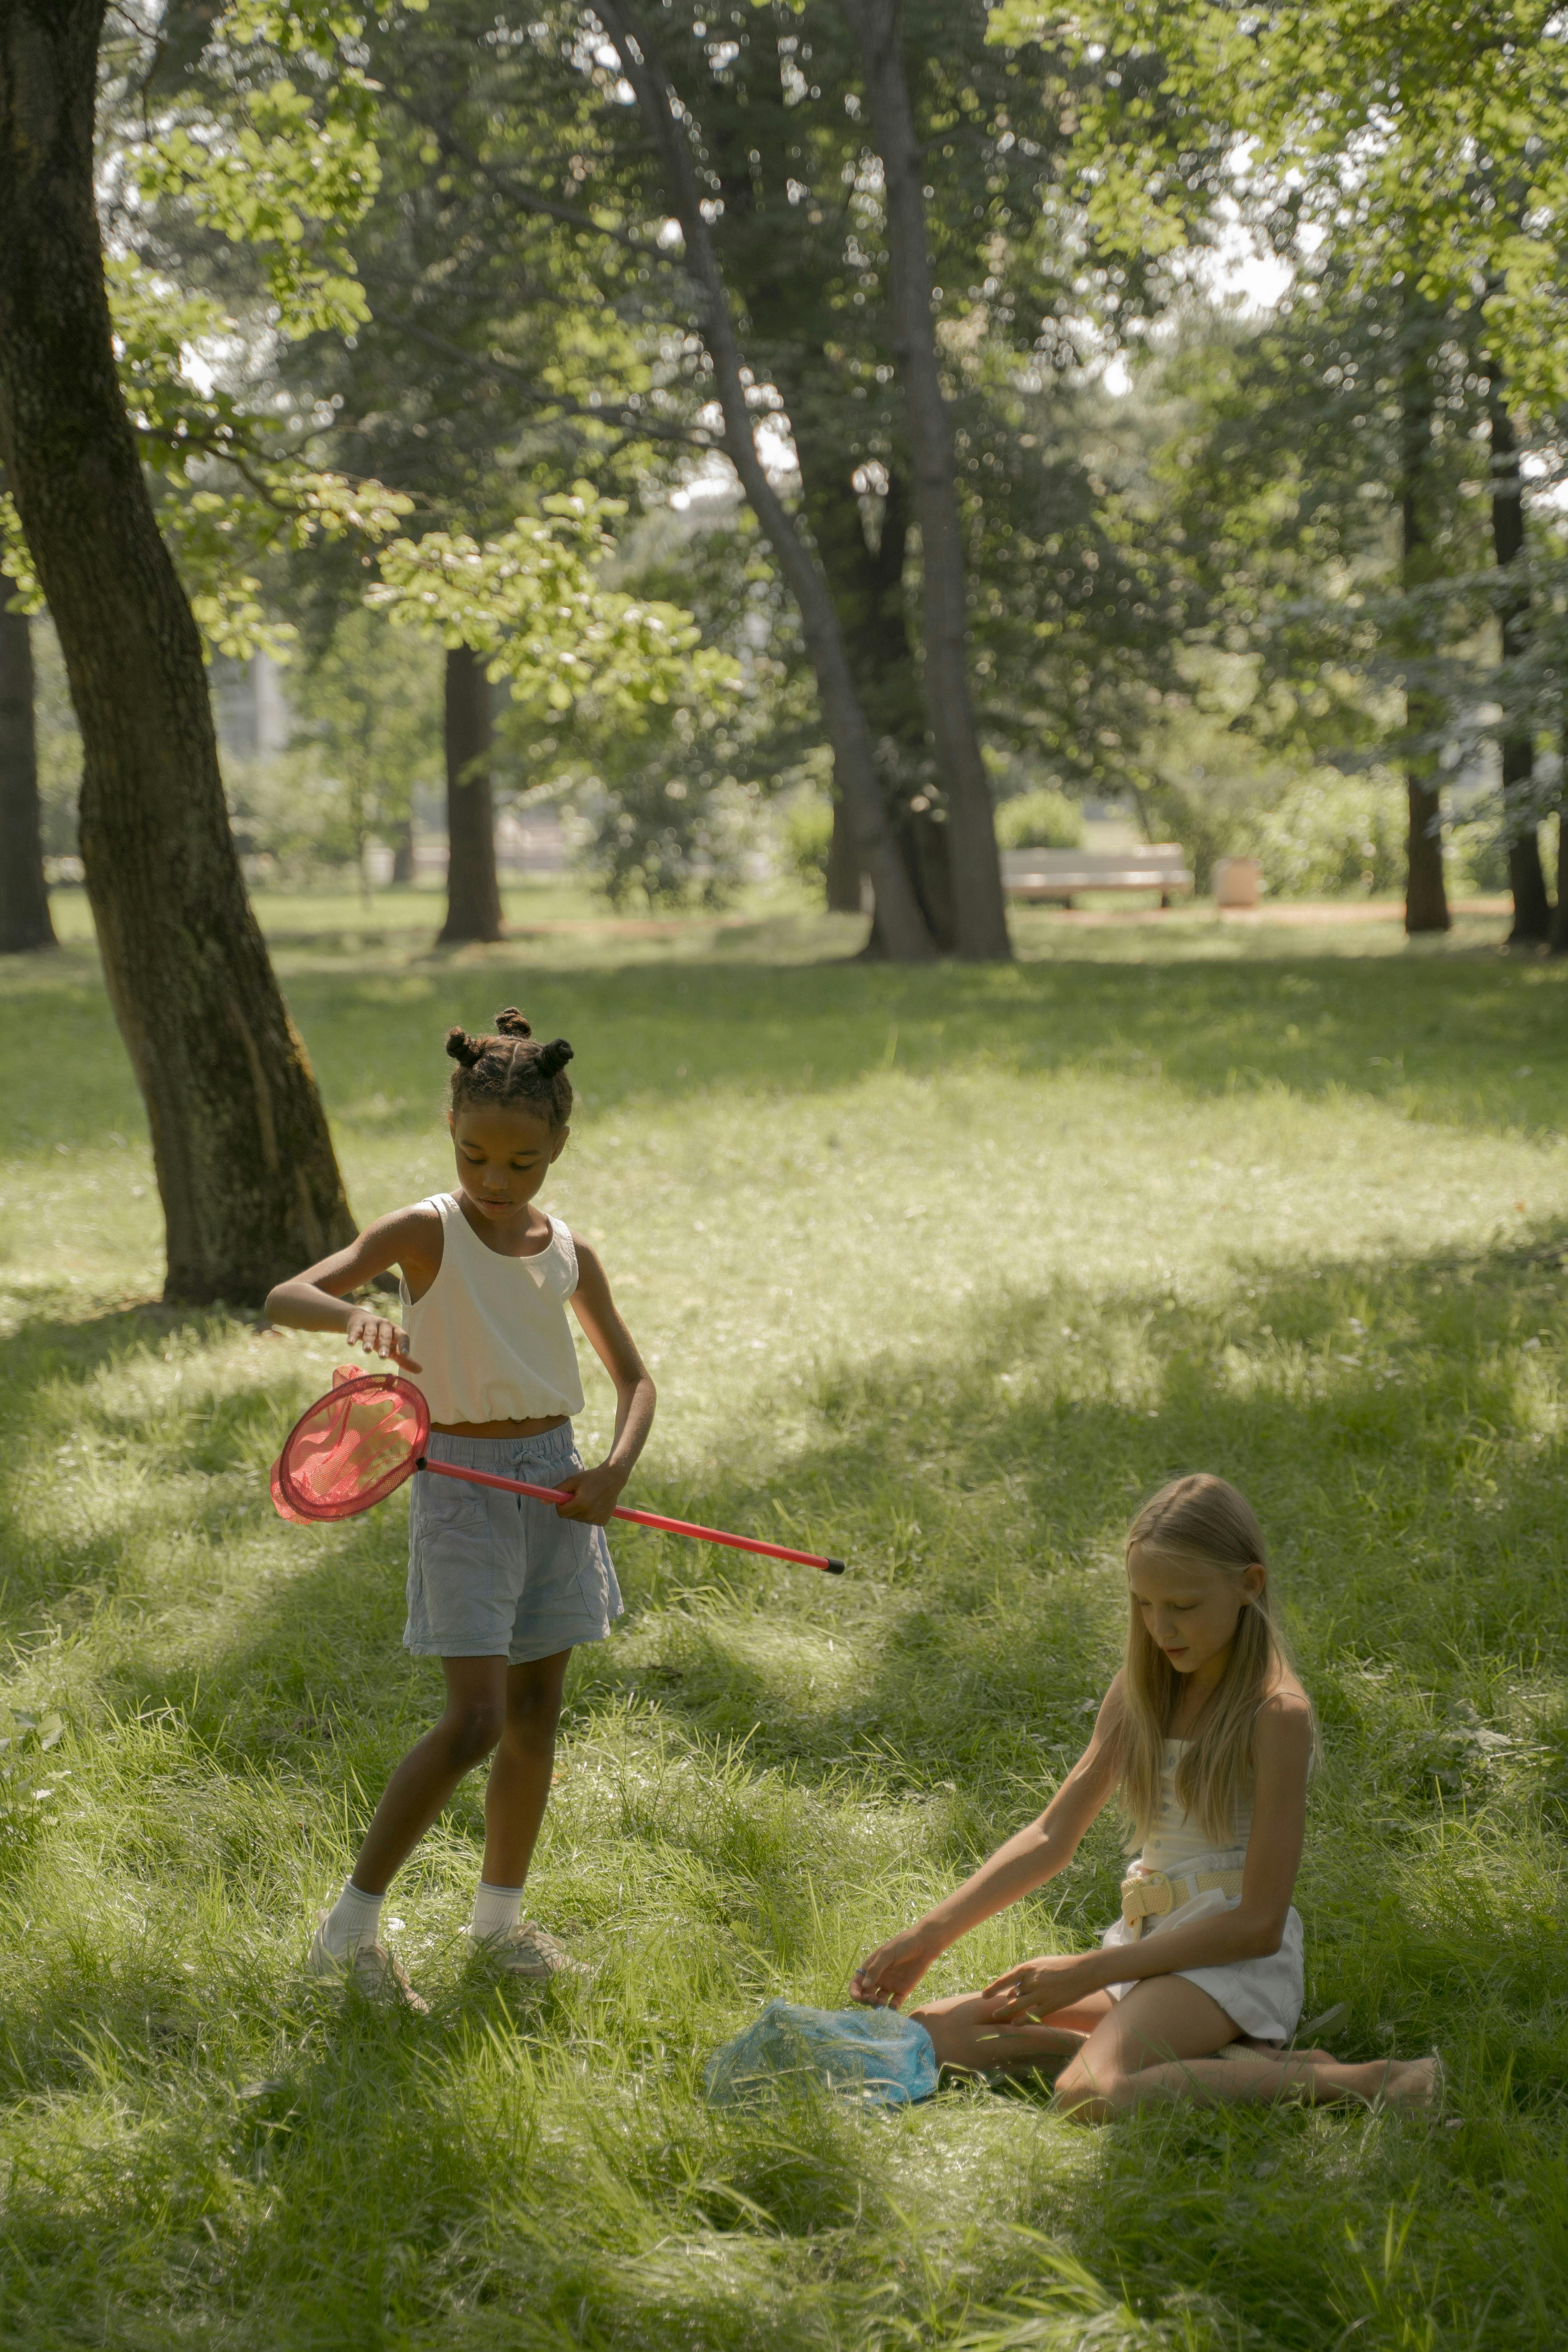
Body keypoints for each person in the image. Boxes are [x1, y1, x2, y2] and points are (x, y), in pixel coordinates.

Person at [264, 1007, 655, 2009]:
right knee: (474, 1718)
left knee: (533, 1716)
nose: (494, 1178)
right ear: (450, 1128)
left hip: (555, 1483)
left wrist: (610, 1471)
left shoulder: (568, 1251)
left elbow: (634, 1379)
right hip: (463, 1488)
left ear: (557, 1144)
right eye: (475, 1154)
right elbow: (287, 1295)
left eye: (520, 1162)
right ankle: (347, 1930)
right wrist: (354, 1316)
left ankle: (498, 1927)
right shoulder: (424, 1229)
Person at [850, 1474, 1439, 2118]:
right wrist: (928, 1936)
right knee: (939, 2033)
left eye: (1182, 1605)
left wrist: (1090, 1971)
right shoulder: (1139, 1690)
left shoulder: (1275, 1714)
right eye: (1143, 1604)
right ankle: (1229, 2067)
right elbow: (1051, 1836)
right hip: (1144, 1948)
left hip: (1225, 1965)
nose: (1161, 1627)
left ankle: (1371, 2082)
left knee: (1085, 2095)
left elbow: (1258, 1925)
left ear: (1249, 1585)